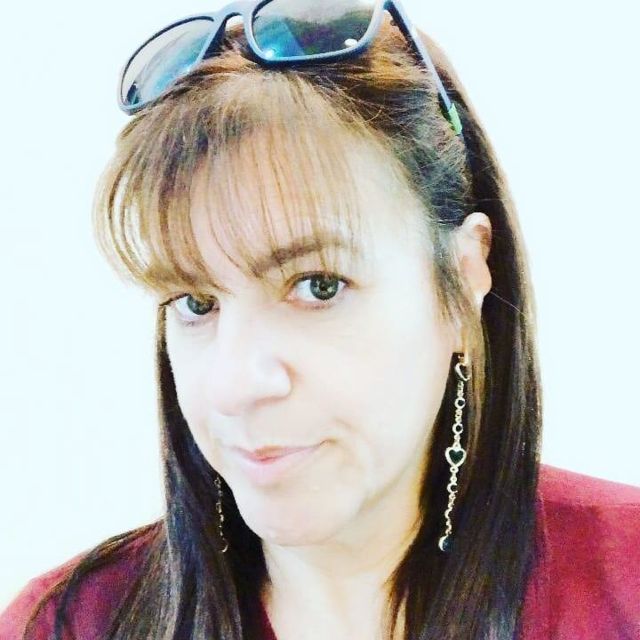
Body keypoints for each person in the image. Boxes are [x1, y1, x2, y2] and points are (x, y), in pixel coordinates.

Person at [2, 1, 639, 639]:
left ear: (466, 276)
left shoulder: (622, 584)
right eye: (196, 302)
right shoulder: (68, 626)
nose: (233, 385)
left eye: (319, 286)